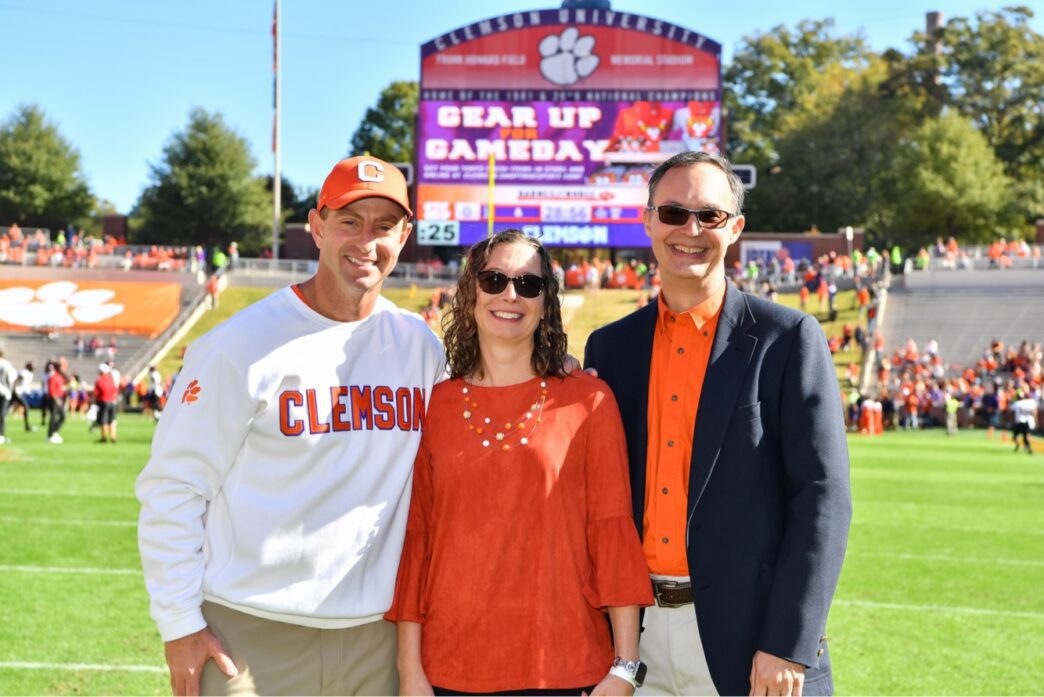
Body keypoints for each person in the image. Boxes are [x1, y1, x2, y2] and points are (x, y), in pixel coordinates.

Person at [136, 156, 445, 696]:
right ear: (317, 225)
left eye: (384, 225)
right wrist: (179, 622)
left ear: (406, 235)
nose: (366, 241)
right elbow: (174, 487)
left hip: (376, 636)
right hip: (250, 633)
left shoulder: (419, 346)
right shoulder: (240, 343)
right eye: (349, 221)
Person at [584, 151, 852, 696]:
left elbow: (822, 499)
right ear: (648, 221)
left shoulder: (788, 337)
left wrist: (786, 643)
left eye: (709, 215)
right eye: (674, 212)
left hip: (749, 641)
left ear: (735, 228)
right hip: (633, 641)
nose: (691, 229)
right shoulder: (609, 349)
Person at [387, 230, 653, 695]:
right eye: (494, 280)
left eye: (529, 284)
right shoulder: (437, 405)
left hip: (566, 667)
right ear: (470, 293)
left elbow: (611, 531)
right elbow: (418, 542)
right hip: (450, 668)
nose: (510, 295)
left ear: (546, 302)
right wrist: (411, 670)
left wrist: (625, 666)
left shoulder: (589, 400)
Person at [93, 363, 119, 444]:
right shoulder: (111, 379)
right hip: (112, 402)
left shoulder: (99, 381)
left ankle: (104, 438)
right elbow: (115, 390)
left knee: (103, 421)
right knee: (112, 420)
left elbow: (96, 394)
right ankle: (113, 437)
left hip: (103, 402)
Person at [45, 359, 67, 444]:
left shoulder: (60, 376)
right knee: (54, 417)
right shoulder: (53, 376)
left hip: (59, 398)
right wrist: (56, 400)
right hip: (54, 399)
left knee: (62, 416)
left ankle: (54, 432)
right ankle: (50, 435)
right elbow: (51, 390)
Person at [0, 348, 16, 445]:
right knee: (2, 414)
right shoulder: (7, 364)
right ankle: (1, 435)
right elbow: (12, 378)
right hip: (5, 392)